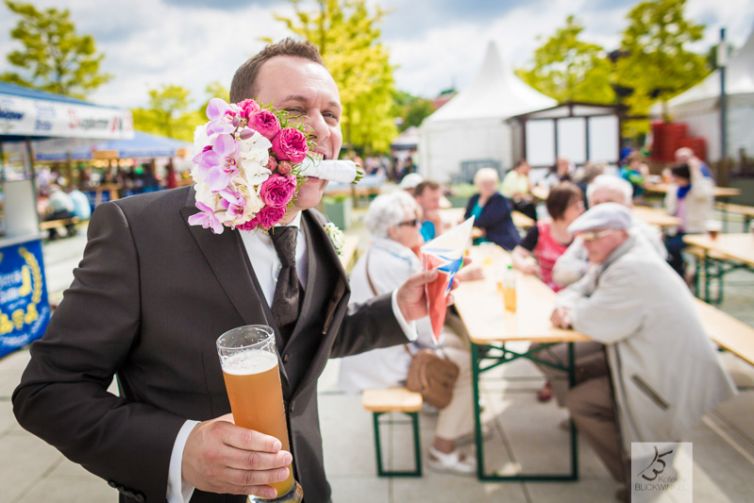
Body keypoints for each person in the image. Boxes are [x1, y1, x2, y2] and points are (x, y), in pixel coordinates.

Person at [13, 38, 438, 503]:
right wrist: (180, 451)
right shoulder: (136, 231)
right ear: (240, 125)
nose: (321, 130)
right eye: (296, 111)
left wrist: (400, 307)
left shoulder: (317, 228)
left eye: (331, 115)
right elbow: (48, 391)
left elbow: (307, 341)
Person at [550, 203, 735, 500]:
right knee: (567, 374)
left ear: (620, 234)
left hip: (664, 374)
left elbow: (598, 319)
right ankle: (642, 480)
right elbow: (577, 293)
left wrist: (571, 312)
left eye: (593, 236)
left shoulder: (633, 267)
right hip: (644, 360)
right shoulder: (619, 257)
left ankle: (647, 484)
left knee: (646, 431)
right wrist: (570, 307)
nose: (586, 245)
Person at [338, 191, 476, 475]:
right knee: (466, 362)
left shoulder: (375, 254)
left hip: (367, 357)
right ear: (394, 230)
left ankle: (457, 417)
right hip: (385, 363)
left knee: (460, 337)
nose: (421, 226)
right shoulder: (400, 263)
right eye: (415, 222)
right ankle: (443, 447)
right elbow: (425, 332)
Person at [552, 175, 666, 289]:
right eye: (596, 203)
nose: (603, 208)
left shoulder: (645, 235)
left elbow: (640, 281)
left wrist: (595, 269)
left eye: (610, 202)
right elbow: (560, 273)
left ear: (629, 206)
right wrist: (590, 268)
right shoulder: (589, 233)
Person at [512, 182, 583, 291]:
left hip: (574, 293)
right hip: (545, 291)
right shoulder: (541, 229)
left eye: (581, 204)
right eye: (575, 205)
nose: (581, 209)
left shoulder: (583, 231)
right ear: (560, 207)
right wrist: (525, 266)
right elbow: (517, 253)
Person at [664, 160, 715, 276]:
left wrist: (695, 173)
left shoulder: (701, 187)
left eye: (676, 177)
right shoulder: (675, 189)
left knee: (672, 245)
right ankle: (679, 272)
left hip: (695, 231)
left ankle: (681, 274)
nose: (674, 180)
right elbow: (670, 209)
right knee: (662, 243)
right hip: (676, 230)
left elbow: (701, 193)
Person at [464, 168, 520, 250]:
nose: (488, 187)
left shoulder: (500, 200)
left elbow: (484, 221)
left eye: (491, 184)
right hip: (479, 241)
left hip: (500, 242)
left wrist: (475, 225)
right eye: (485, 184)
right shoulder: (475, 198)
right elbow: (466, 216)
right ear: (478, 184)